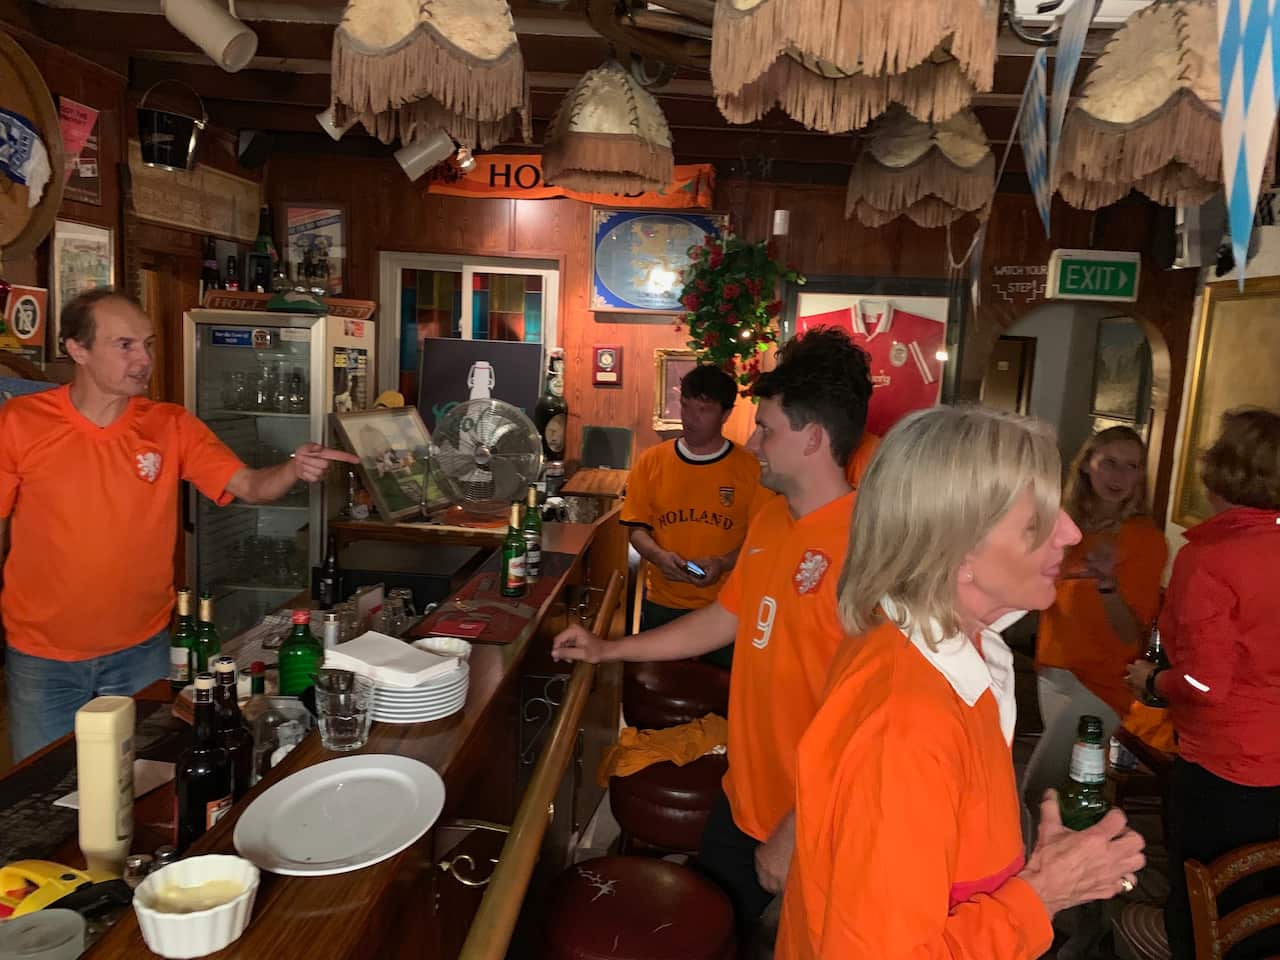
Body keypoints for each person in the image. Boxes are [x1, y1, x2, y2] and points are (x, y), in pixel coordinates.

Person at [776, 406, 1147, 960]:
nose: (1069, 532)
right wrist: (1041, 896)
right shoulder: (906, 722)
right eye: (1038, 521)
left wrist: (1028, 872)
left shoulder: (966, 654)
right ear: (959, 553)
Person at [554, 327, 872, 941]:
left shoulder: (867, 549)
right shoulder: (775, 519)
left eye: (768, 430)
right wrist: (608, 647)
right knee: (713, 927)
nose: (753, 445)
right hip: (743, 787)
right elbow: (725, 618)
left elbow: (871, 725)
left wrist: (797, 827)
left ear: (812, 439)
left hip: (808, 816)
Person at [0, 289, 357, 760]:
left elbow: (249, 485)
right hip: (42, 655)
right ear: (77, 349)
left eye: (147, 344)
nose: (143, 359)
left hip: (140, 650)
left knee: (137, 783)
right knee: (43, 799)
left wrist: (294, 468)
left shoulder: (169, 424)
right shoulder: (21, 422)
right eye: (124, 345)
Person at [1125, 408, 1280, 960]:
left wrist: (1153, 677)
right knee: (1265, 907)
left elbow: (1203, 683)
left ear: (1221, 471)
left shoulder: (1209, 559)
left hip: (1226, 768)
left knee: (1203, 914)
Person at [1022, 426, 1168, 812]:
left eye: (1131, 467)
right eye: (1110, 463)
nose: (1119, 477)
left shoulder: (1144, 539)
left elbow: (1129, 635)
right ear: (1088, 465)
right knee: (1072, 792)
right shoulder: (1064, 526)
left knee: (1041, 790)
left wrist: (1107, 585)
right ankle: (1078, 867)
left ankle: (1042, 870)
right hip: (1054, 668)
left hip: (1104, 682)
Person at [621, 364, 770, 668]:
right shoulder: (652, 462)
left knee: (722, 701)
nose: (690, 418)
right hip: (662, 603)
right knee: (654, 697)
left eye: (703, 410)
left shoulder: (751, 469)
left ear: (726, 414)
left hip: (728, 607)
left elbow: (762, 540)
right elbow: (635, 528)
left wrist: (723, 563)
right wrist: (659, 556)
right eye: (686, 407)